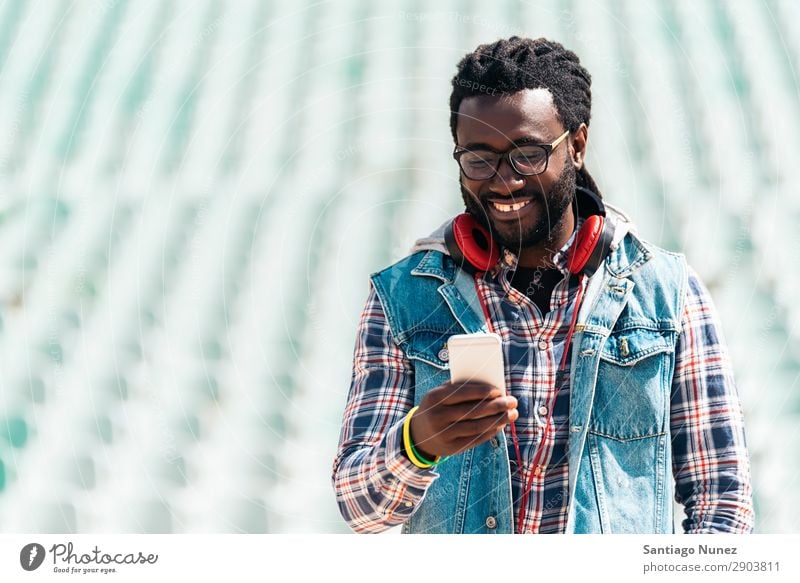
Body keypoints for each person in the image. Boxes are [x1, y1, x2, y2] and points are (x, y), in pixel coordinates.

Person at [331, 36, 754, 534]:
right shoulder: (401, 298)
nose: (503, 181)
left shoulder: (668, 291)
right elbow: (359, 509)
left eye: (527, 155)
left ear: (576, 145)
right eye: (478, 158)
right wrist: (416, 445)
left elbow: (722, 502)